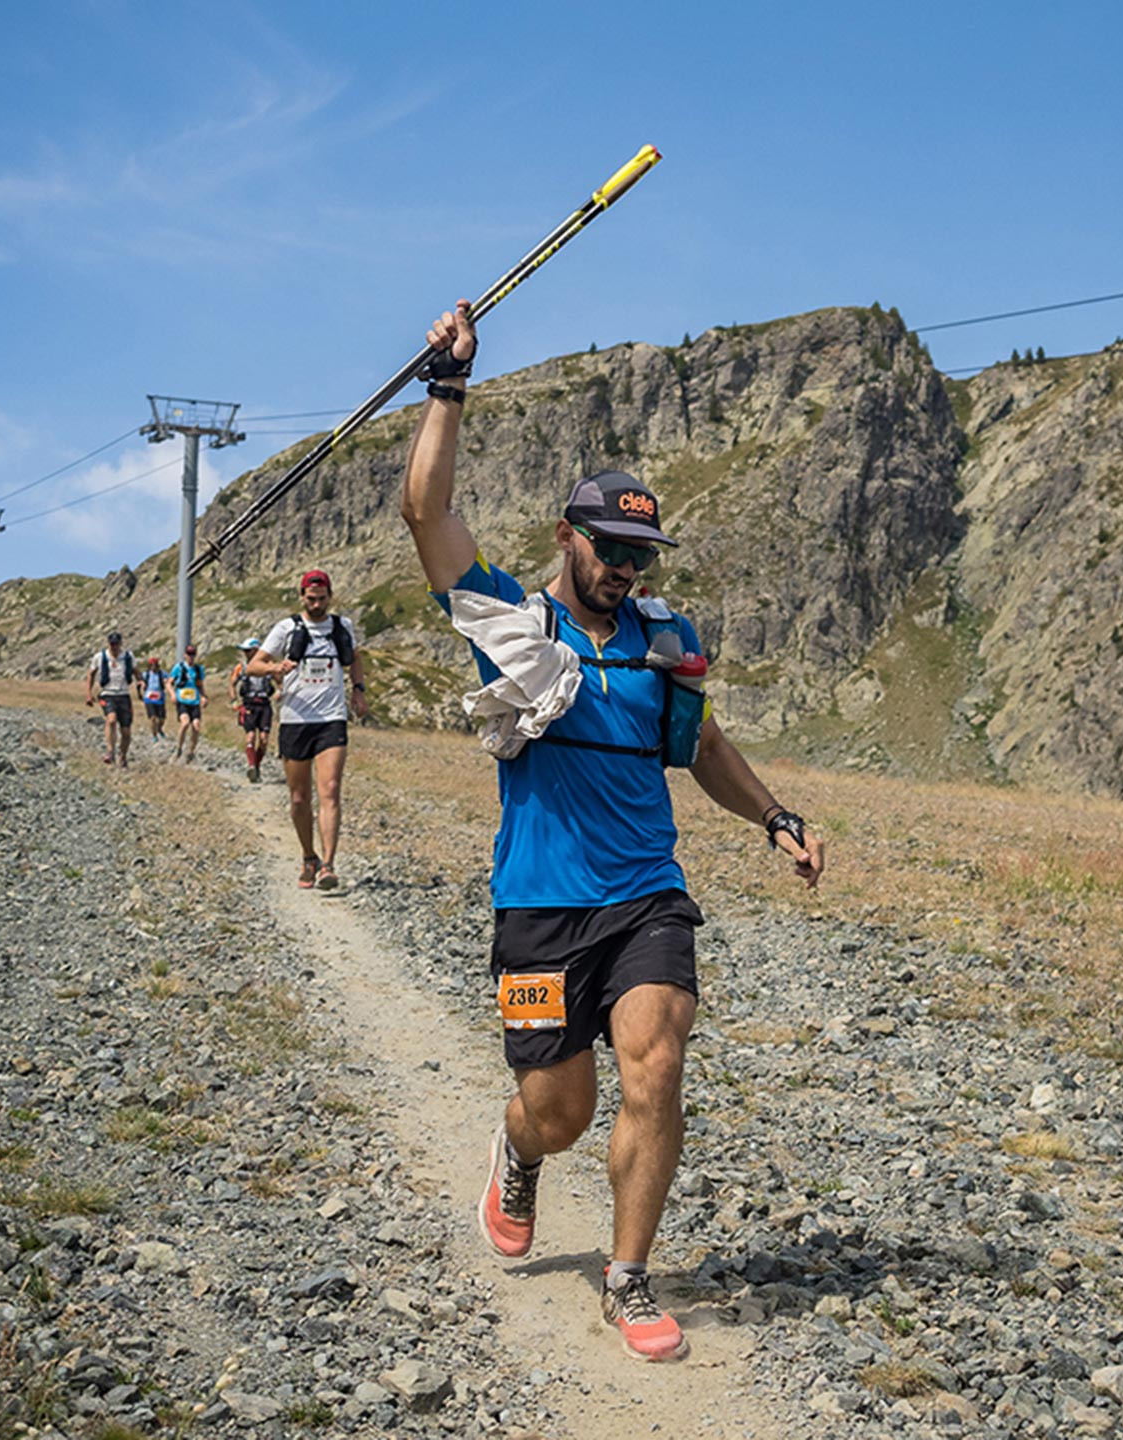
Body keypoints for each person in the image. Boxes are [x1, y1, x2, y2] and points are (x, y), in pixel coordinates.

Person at [400, 300, 824, 1362]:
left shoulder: (662, 640)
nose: (629, 567)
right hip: (540, 905)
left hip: (645, 896)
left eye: (643, 552)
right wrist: (448, 387)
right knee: (560, 1110)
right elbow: (426, 513)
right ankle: (519, 1153)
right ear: (568, 536)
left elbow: (702, 746)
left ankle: (628, 1277)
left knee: (656, 1061)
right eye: (614, 548)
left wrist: (774, 815)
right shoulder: (513, 623)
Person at [245, 570, 367, 890]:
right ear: (301, 596)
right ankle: (308, 856)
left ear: (330, 596)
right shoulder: (286, 628)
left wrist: (358, 690)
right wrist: (275, 668)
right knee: (299, 799)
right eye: (311, 599)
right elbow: (253, 665)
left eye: (322, 599)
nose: (316, 604)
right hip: (295, 719)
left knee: (330, 789)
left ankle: (328, 865)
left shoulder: (342, 626)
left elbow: (355, 659)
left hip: (331, 718)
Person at [228, 638, 277, 783]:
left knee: (264, 739)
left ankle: (256, 766)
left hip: (264, 704)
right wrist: (234, 700)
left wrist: (280, 691)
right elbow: (231, 684)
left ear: (256, 651)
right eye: (244, 651)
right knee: (250, 736)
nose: (245, 653)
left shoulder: (268, 666)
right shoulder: (240, 668)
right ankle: (251, 766)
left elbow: (279, 679)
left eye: (248, 650)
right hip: (248, 704)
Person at [85, 630, 136, 768]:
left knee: (126, 732)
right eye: (112, 644)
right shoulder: (99, 657)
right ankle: (110, 751)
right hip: (107, 693)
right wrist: (88, 693)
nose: (114, 647)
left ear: (120, 644)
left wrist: (141, 682)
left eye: (116, 644)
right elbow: (91, 674)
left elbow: (136, 671)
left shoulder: (128, 657)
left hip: (124, 694)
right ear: (108, 643)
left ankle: (123, 756)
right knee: (111, 719)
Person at [169, 644, 207, 763]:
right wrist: (172, 694)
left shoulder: (198, 670)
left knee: (196, 726)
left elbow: (200, 685)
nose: (191, 657)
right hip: (182, 701)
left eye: (193, 654)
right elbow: (169, 683)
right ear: (185, 655)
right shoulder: (178, 668)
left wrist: (204, 697)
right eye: (189, 654)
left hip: (194, 702)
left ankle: (190, 752)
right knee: (185, 723)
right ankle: (178, 748)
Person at [138, 655, 168, 742]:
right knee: (153, 718)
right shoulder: (146, 674)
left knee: (162, 719)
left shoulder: (162, 674)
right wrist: (140, 693)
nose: (153, 667)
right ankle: (154, 736)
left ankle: (159, 728)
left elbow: (169, 681)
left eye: (155, 665)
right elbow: (139, 683)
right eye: (151, 665)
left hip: (160, 698)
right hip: (149, 698)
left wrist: (167, 682)